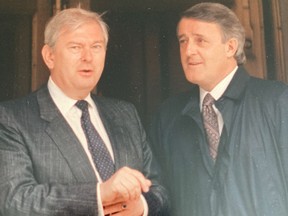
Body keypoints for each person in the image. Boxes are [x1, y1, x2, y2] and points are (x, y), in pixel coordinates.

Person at [0, 8, 168, 216]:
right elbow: (15, 200)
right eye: (75, 47)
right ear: (49, 56)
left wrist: (141, 207)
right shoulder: (12, 119)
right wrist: (99, 195)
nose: (88, 57)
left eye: (96, 47)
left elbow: (160, 189)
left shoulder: (125, 114)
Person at [149, 2, 288, 216]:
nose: (188, 51)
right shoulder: (167, 117)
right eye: (183, 41)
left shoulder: (277, 101)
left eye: (200, 40)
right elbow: (160, 196)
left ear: (230, 47)